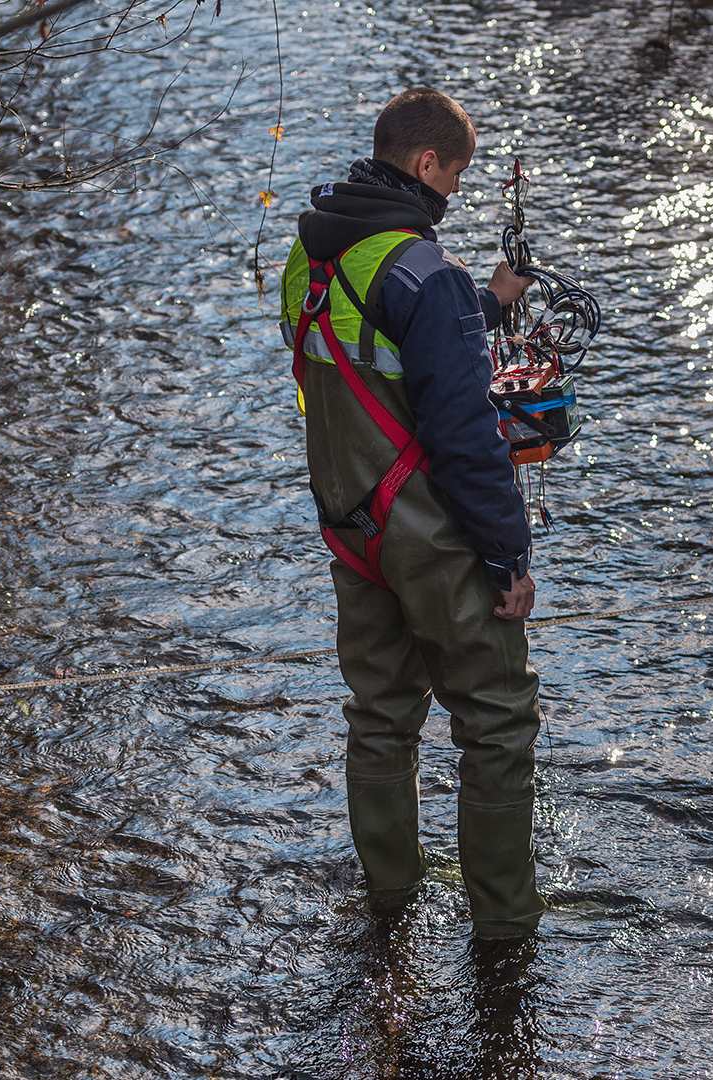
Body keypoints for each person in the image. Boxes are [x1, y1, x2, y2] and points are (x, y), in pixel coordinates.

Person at [278, 87, 544, 940]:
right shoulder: (427, 275)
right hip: (432, 533)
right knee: (497, 722)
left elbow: (377, 357)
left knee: (383, 717)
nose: (456, 194)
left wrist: (487, 306)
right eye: (455, 176)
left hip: (349, 526)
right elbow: (465, 437)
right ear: (426, 163)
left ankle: (391, 904)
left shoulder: (309, 259)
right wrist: (508, 557)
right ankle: (505, 933)